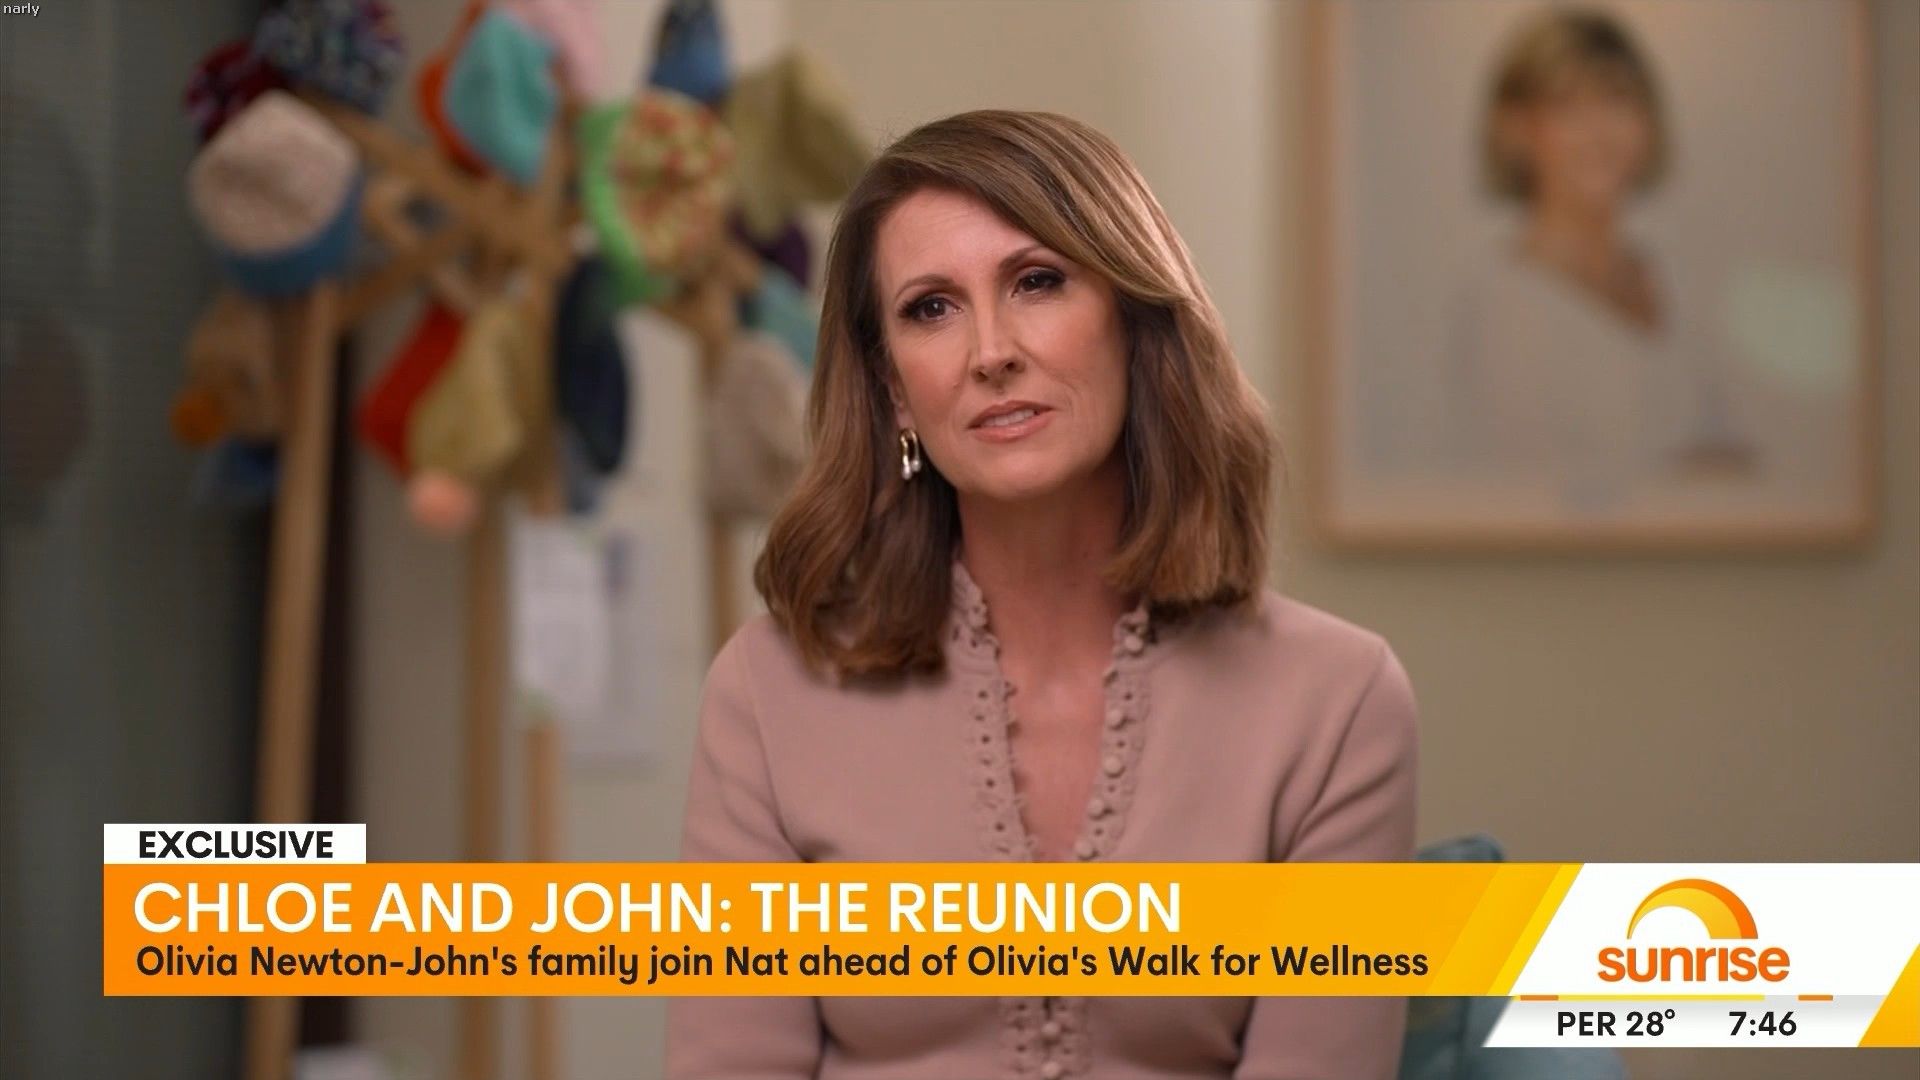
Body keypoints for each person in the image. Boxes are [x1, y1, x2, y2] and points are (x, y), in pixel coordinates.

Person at [667, 108, 1419, 1079]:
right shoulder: (768, 696)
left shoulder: (1337, 702)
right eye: (931, 308)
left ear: (1135, 321)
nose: (991, 351)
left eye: (1036, 282)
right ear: (894, 390)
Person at [1442, 7, 1751, 513]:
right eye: (1568, 107)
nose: (1598, 131)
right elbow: (1529, 489)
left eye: (1617, 100)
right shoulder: (1500, 301)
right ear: (1519, 128)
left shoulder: (1676, 280)